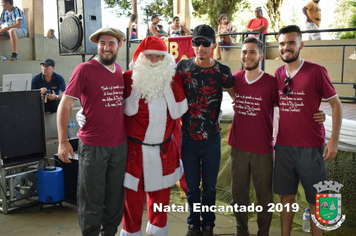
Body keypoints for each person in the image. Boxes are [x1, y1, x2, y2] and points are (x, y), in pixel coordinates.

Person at [228, 37, 326, 236]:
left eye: (252, 52)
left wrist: (320, 114)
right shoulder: (235, 78)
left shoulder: (272, 82)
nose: (247, 56)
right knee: (238, 196)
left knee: (265, 197)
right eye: (244, 52)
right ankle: (241, 231)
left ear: (261, 56)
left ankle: (263, 232)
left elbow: (292, 105)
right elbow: (227, 93)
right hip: (237, 148)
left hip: (263, 149)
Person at [57, 27, 127, 236]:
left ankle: (110, 232)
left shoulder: (120, 71)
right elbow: (65, 104)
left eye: (111, 43)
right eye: (102, 43)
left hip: (119, 145)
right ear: (97, 45)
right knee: (91, 199)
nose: (106, 48)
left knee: (115, 197)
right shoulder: (84, 69)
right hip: (93, 145)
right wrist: (62, 141)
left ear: (119, 46)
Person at [274, 25, 342, 236]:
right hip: (284, 148)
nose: (286, 47)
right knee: (286, 199)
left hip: (311, 148)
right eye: (282, 43)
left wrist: (334, 141)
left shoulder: (316, 71)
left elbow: (336, 104)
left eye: (291, 43)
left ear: (301, 44)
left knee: (318, 200)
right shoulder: (278, 73)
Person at [120, 36, 188, 236]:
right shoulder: (128, 78)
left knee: (161, 201)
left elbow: (179, 112)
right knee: (131, 200)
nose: (154, 61)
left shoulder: (172, 79)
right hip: (134, 151)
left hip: (163, 151)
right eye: (149, 56)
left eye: (159, 57)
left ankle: (158, 232)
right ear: (141, 57)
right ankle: (131, 232)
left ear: (165, 58)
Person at [176, 24, 234, 236]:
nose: (200, 47)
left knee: (209, 188)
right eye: (196, 43)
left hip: (212, 139)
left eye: (205, 43)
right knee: (192, 188)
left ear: (213, 45)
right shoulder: (182, 67)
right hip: (188, 139)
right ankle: (193, 223)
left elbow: (240, 99)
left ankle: (208, 224)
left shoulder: (223, 71)